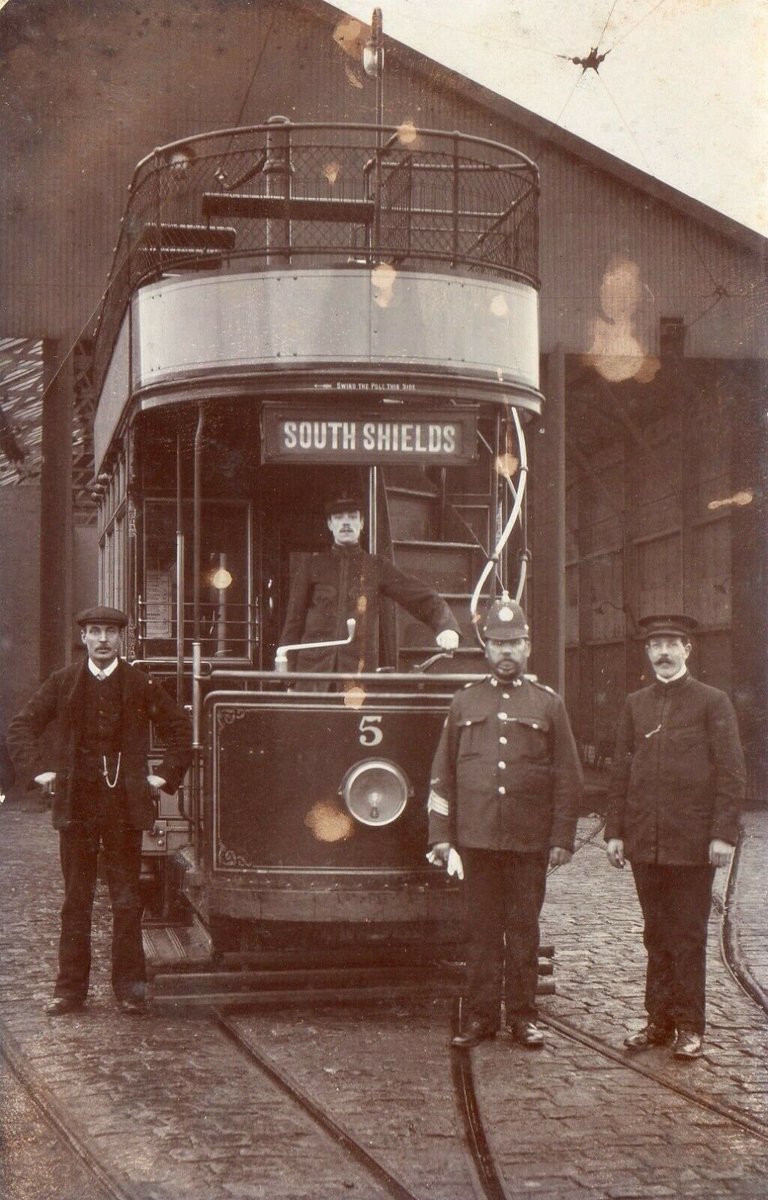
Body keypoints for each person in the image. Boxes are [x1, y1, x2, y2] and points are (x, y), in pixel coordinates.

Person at [7, 606, 192, 1017]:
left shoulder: (139, 684)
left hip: (124, 808)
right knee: (76, 901)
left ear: (120, 638)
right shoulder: (64, 683)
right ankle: (70, 991)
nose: (103, 639)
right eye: (95, 632)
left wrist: (164, 776)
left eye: (110, 632)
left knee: (126, 900)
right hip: (77, 806)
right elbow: (21, 726)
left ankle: (129, 989)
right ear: (85, 638)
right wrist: (39, 771)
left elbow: (180, 729)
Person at [427, 595, 583, 1048]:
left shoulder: (548, 705)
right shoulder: (464, 702)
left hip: (527, 841)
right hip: (476, 841)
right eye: (498, 644)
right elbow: (443, 776)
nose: (506, 652)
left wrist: (562, 839)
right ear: (487, 649)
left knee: (523, 930)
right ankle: (479, 1019)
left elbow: (568, 779)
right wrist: (441, 836)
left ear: (528, 646)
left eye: (514, 642)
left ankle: (522, 1016)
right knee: (479, 933)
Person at [605, 614, 746, 1060]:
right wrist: (616, 832)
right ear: (647, 653)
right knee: (656, 934)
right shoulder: (635, 704)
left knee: (686, 936)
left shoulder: (712, 702)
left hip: (691, 846)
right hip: (646, 845)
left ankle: (690, 1026)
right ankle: (658, 1022)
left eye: (671, 644)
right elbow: (621, 770)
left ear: (688, 649)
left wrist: (723, 834)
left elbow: (731, 771)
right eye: (655, 645)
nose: (663, 652)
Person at [278, 496, 461, 684]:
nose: (346, 523)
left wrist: (446, 627)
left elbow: (418, 595)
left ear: (362, 523)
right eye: (339, 517)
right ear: (330, 524)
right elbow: (293, 624)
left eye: (352, 517)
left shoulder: (376, 566)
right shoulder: (311, 566)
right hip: (312, 677)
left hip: (357, 679)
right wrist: (289, 680)